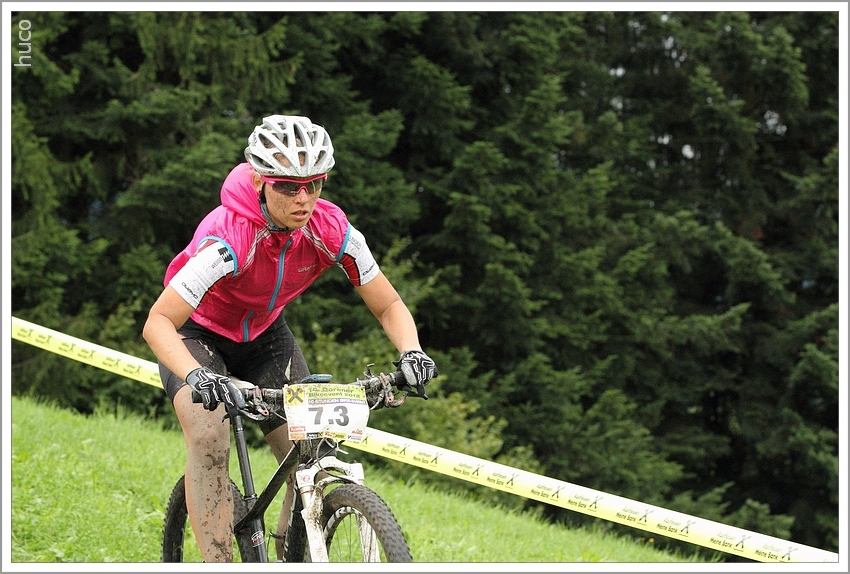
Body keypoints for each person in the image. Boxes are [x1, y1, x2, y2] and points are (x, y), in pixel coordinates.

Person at [143, 114, 437, 562]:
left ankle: (289, 555)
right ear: (260, 181)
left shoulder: (332, 230)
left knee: (310, 449)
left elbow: (388, 304)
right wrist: (197, 376)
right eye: (287, 186)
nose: (303, 198)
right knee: (208, 436)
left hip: (265, 335)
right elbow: (158, 322)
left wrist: (412, 351)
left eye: (314, 184)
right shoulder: (229, 238)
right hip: (196, 334)